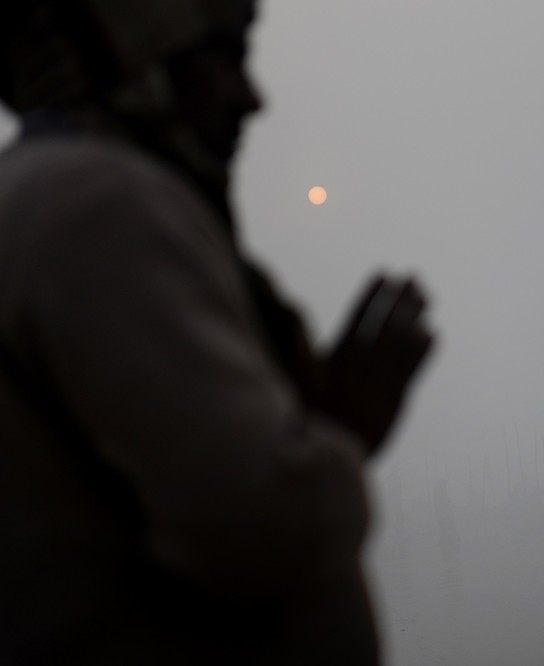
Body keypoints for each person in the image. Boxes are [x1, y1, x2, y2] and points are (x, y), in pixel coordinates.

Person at [0, 2, 433, 663]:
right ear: (140, 59)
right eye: (227, 56)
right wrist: (340, 433)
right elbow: (260, 535)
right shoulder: (103, 204)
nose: (251, 98)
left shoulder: (39, 195)